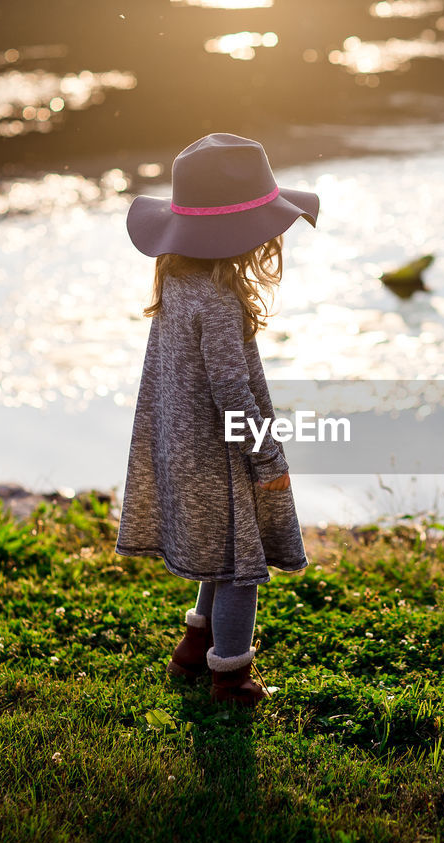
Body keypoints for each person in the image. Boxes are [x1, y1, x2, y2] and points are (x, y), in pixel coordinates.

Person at [115, 133, 319, 707]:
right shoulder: (219, 301)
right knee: (240, 568)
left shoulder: (177, 284)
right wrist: (266, 457)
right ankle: (230, 679)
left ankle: (192, 646)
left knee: (226, 548)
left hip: (182, 446)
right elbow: (230, 388)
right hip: (218, 452)